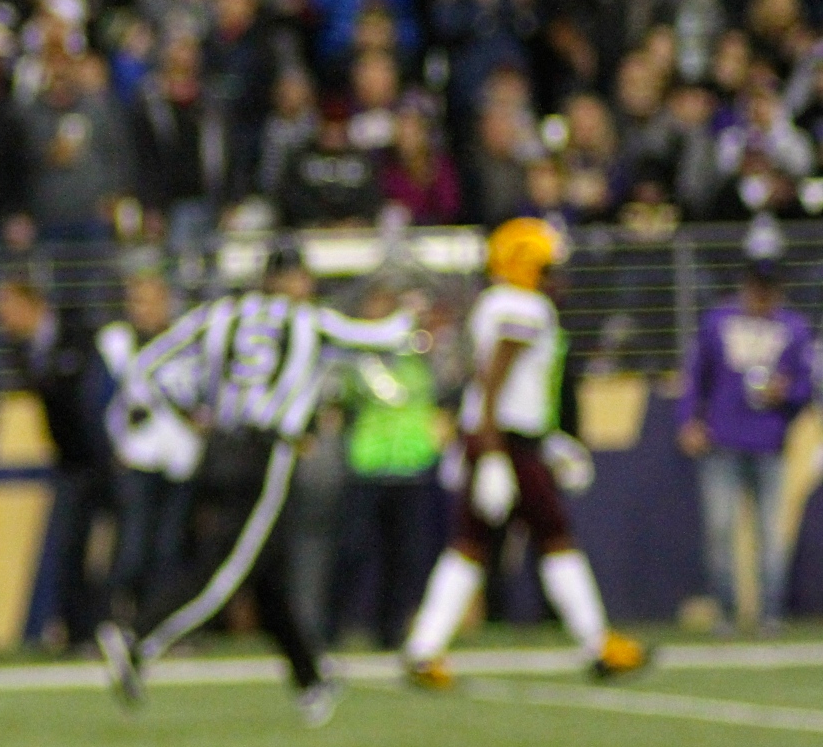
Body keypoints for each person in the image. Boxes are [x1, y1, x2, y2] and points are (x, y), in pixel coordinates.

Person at [100, 244, 413, 723]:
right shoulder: (307, 321)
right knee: (226, 569)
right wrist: (414, 313)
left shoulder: (220, 314)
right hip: (268, 454)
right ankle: (139, 640)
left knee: (267, 572)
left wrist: (188, 410)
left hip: (218, 449)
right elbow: (384, 338)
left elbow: (149, 365)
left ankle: (310, 678)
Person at [403, 219, 651, 688]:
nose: (556, 277)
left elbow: (499, 384)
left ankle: (424, 649)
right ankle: (597, 644)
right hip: (505, 440)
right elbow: (495, 378)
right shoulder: (523, 306)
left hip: (505, 437)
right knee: (552, 537)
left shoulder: (499, 301)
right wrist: (495, 452)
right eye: (547, 267)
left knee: (472, 544)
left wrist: (543, 440)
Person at [676, 221, 816, 632]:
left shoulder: (793, 328)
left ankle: (771, 614)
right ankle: (725, 613)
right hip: (723, 441)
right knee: (720, 532)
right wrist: (689, 422)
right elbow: (695, 377)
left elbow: (806, 386)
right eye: (757, 285)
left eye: (769, 286)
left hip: (770, 442)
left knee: (771, 535)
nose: (762, 294)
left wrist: (785, 392)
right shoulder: (718, 322)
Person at [331, 285, 447, 648]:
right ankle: (331, 627)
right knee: (352, 551)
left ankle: (391, 629)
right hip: (368, 464)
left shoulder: (418, 357)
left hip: (411, 466)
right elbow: (340, 398)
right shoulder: (358, 359)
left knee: (407, 556)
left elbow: (443, 386)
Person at [0, 277, 108, 652]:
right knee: (68, 547)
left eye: (8, 308)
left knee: (112, 549)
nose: (2, 318)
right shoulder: (23, 349)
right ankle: (77, 631)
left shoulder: (75, 334)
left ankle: (98, 628)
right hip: (70, 462)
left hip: (103, 458)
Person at [100, 272, 194, 622]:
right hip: (135, 456)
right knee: (133, 547)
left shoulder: (184, 341)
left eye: (153, 300)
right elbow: (102, 402)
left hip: (180, 457)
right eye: (139, 301)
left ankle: (159, 622)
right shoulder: (117, 344)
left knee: (169, 548)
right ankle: (119, 619)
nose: (145, 309)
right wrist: (113, 446)